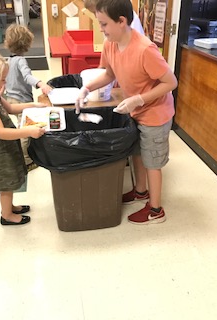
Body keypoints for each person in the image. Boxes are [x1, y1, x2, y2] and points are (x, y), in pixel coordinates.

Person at [75, 0, 178, 225]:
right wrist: (86, 88)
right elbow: (109, 74)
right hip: (136, 110)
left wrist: (138, 99)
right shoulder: (110, 43)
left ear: (122, 21)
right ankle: (140, 192)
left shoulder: (145, 49)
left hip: (156, 113)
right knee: (137, 152)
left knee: (152, 161)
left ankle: (156, 210)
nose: (101, 29)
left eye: (103, 24)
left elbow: (170, 82)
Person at [0, 48, 46, 226]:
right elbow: (0, 132)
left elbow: (10, 109)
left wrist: (32, 105)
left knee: (10, 178)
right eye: (2, 79)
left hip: (5, 146)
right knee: (6, 183)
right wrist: (29, 131)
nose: (4, 82)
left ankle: (10, 206)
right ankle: (7, 215)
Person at [4, 23, 52, 172]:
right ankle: (27, 160)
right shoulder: (20, 61)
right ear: (27, 44)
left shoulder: (9, 60)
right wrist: (40, 84)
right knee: (25, 130)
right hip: (21, 100)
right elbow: (27, 76)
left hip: (9, 98)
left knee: (21, 127)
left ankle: (23, 154)